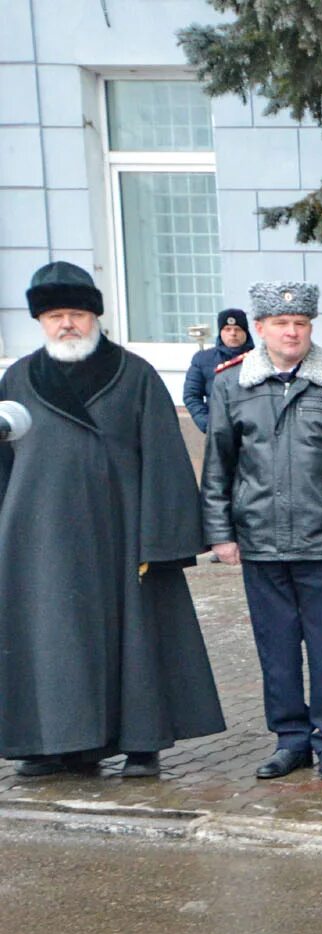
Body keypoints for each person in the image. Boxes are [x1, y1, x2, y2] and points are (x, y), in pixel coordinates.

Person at [0, 261, 225, 778]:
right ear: (40, 321)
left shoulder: (135, 374)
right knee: (55, 639)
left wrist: (163, 538)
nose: (67, 325)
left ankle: (143, 744)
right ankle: (61, 744)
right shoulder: (18, 378)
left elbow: (166, 457)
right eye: (55, 315)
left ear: (95, 316)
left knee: (138, 637)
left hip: (122, 532)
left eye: (76, 314)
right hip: (43, 538)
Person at [202, 282, 322, 782]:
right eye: (281, 324)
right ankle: (290, 740)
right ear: (259, 330)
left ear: (310, 328)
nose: (291, 332)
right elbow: (218, 465)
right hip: (260, 538)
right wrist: (221, 533)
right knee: (276, 647)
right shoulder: (230, 384)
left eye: (300, 324)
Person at [181, 308, 253, 432]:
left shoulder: (259, 359)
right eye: (227, 329)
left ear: (246, 332)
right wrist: (207, 424)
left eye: (238, 329)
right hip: (219, 431)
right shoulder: (203, 359)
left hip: (253, 433)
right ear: (220, 332)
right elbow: (191, 395)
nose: (233, 333)